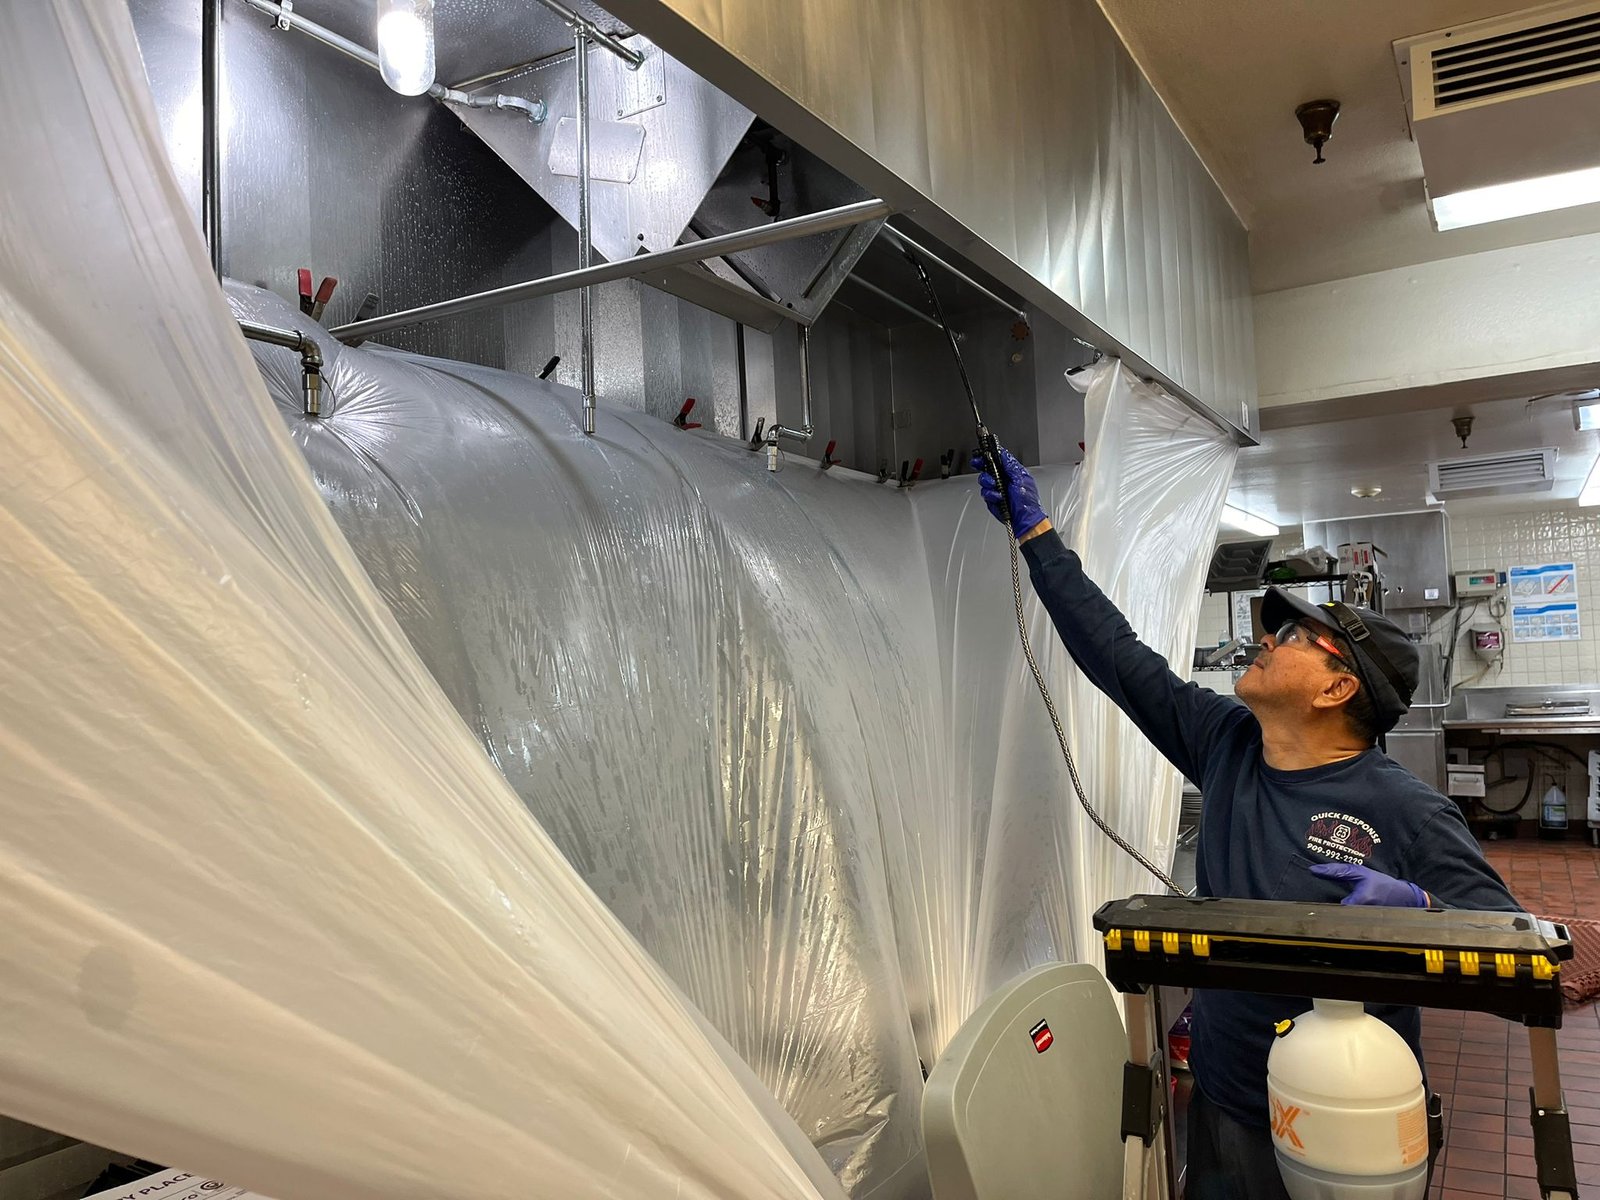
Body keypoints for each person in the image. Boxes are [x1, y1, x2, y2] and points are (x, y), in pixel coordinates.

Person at [972, 447, 1520, 1200]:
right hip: (1229, 1103)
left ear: (1338, 686)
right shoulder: (1227, 745)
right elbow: (1118, 657)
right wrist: (1037, 536)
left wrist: (1426, 913)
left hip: (1350, 1126)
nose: (1268, 638)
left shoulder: (1407, 808)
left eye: (1295, 637)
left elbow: (1516, 951)